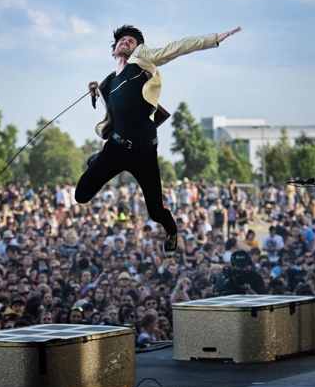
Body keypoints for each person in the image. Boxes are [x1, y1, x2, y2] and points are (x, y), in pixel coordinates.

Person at [75, 24, 241, 259]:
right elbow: (119, 108)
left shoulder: (143, 61)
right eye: (122, 41)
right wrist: (98, 92)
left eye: (131, 41)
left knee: (155, 212)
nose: (125, 42)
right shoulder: (110, 83)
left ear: (138, 48)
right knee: (80, 196)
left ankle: (172, 231)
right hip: (117, 148)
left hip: (144, 153)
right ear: (114, 51)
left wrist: (213, 39)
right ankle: (100, 159)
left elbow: (178, 47)